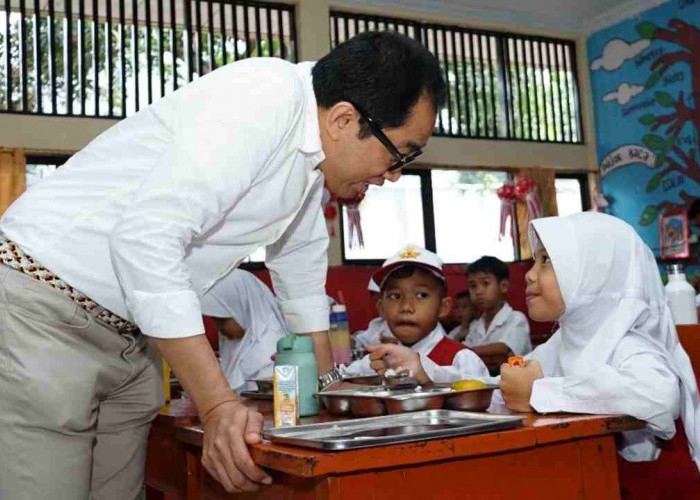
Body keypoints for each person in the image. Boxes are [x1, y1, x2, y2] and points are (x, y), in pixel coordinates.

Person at [0, 31, 446, 497]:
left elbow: (298, 261)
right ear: (343, 119)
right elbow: (147, 238)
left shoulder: (311, 156)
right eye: (399, 155)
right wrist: (217, 406)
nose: (393, 175)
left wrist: (327, 390)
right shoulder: (263, 98)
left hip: (132, 337)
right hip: (47, 313)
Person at [498, 212, 700, 473]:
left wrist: (540, 393)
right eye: (534, 261)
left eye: (546, 260)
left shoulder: (629, 344)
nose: (529, 275)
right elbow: (514, 384)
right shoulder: (564, 340)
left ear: (593, 274)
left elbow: (659, 397)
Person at [343, 245, 489, 384]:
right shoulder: (377, 361)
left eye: (421, 295)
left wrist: (428, 373)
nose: (406, 307)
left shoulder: (461, 358)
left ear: (443, 307)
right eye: (395, 296)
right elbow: (338, 378)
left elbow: (485, 395)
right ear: (381, 309)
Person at [200, 270, 286, 392]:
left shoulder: (272, 357)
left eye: (222, 320)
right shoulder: (238, 344)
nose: (219, 329)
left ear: (243, 310)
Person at [464, 256, 532, 357]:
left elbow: (503, 350)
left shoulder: (516, 319)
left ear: (503, 286)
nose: (478, 292)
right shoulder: (475, 326)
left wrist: (466, 353)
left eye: (485, 283)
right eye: (473, 286)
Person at [353, 277, 395, 350]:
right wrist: (352, 341)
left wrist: (397, 344)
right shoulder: (377, 325)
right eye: (376, 301)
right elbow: (361, 340)